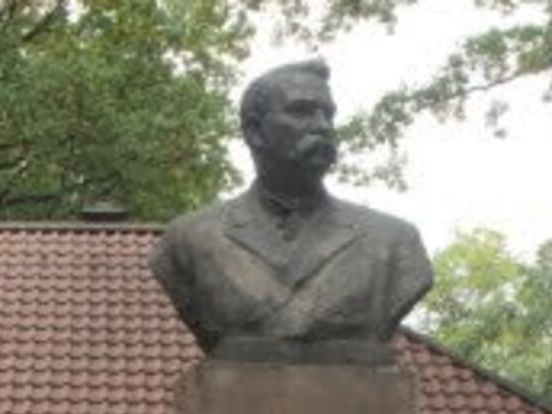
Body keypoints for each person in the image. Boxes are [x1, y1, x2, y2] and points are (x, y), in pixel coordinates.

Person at [150, 58, 432, 365]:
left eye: (328, 114)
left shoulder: (393, 243)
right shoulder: (189, 241)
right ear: (254, 130)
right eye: (301, 112)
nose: (323, 126)